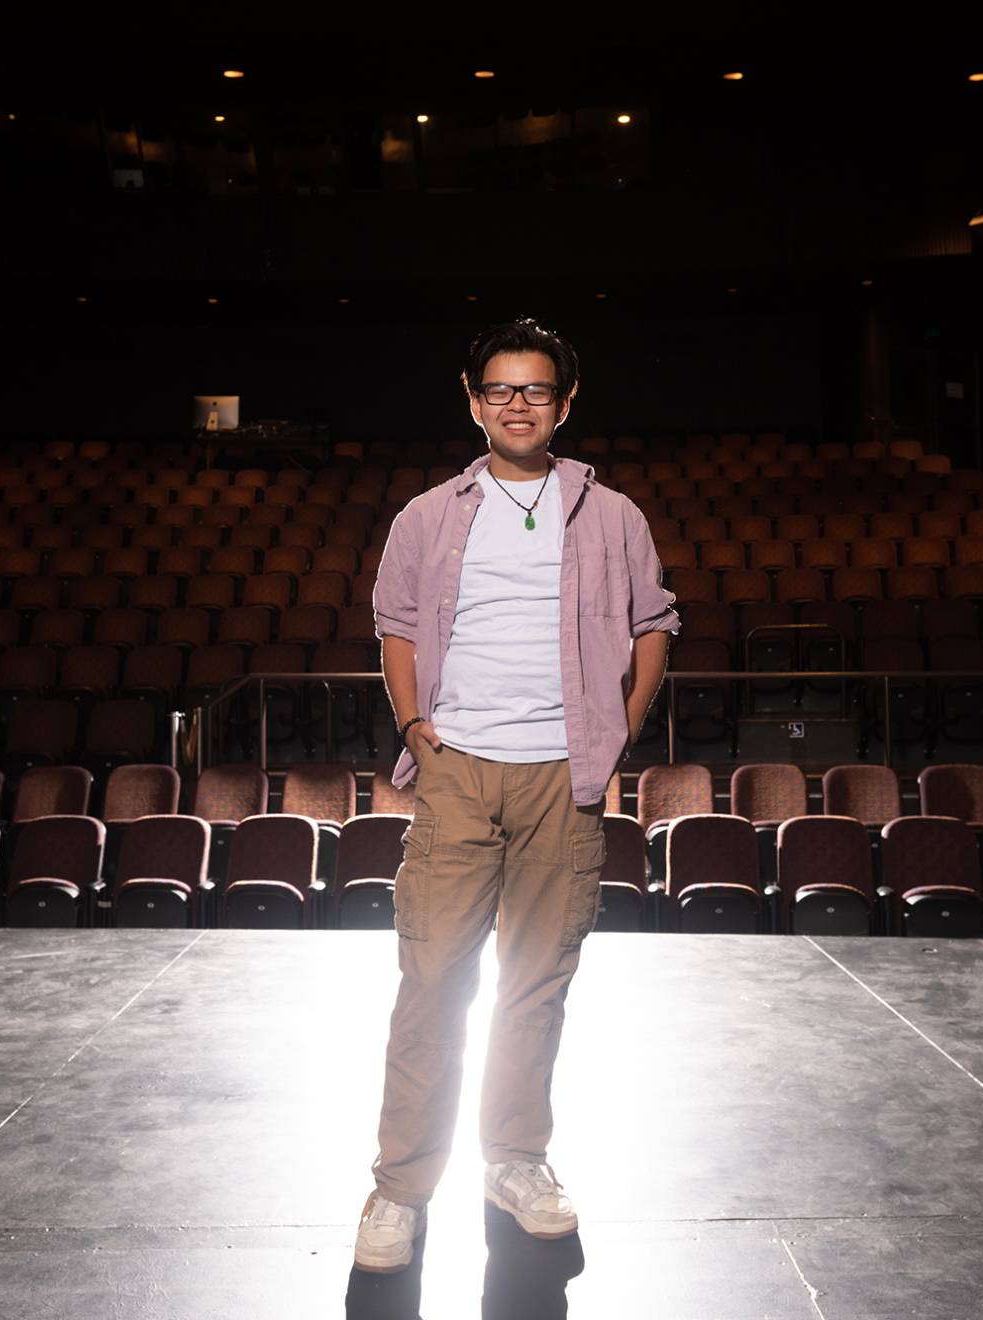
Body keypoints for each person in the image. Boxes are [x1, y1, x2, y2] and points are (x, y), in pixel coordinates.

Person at [354, 317, 680, 1273]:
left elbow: (653, 623)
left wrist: (616, 726)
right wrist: (418, 729)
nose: (518, 404)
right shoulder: (426, 516)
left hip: (562, 778)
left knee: (535, 987)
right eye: (500, 390)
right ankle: (400, 1186)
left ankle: (517, 1162)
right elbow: (397, 630)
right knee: (433, 982)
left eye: (536, 390)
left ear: (565, 403)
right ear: (473, 401)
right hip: (456, 773)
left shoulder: (613, 515)